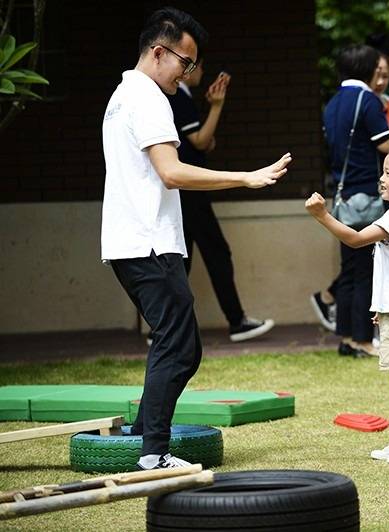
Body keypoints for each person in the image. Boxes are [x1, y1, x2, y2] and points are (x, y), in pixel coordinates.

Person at [101, 7, 291, 469]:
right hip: (148, 243)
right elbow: (171, 172)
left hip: (132, 242)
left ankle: (145, 432)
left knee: (178, 343)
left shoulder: (123, 94)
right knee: (178, 344)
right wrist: (245, 178)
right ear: (159, 51)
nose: (188, 72)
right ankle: (153, 454)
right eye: (185, 63)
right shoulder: (147, 98)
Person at [305, 143, 389, 466]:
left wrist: (323, 216)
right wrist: (382, 305)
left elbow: (354, 239)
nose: (381, 178)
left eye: (388, 172)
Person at [321, 44, 389, 357]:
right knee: (365, 268)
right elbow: (385, 144)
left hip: (342, 193)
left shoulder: (333, 102)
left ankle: (346, 337)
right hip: (366, 190)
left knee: (349, 269)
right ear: (366, 70)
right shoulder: (368, 99)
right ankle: (363, 339)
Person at [166, 57, 274, 343]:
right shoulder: (179, 98)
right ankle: (236, 321)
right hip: (189, 190)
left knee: (185, 257)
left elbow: (200, 142)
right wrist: (216, 105)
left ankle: (162, 327)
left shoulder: (177, 97)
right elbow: (200, 141)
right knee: (215, 252)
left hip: (183, 190)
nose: (201, 71)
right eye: (198, 65)